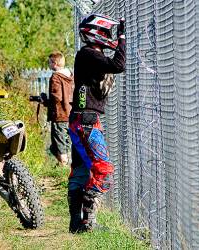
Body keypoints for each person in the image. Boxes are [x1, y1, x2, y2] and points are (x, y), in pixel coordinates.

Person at [68, 14, 126, 233]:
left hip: (81, 120)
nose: (109, 37)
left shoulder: (89, 55)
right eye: (107, 33)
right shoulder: (89, 54)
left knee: (81, 169)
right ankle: (87, 222)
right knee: (104, 171)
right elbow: (118, 65)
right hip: (87, 121)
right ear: (97, 33)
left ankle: (76, 223)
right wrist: (122, 39)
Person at [45, 51, 74, 166]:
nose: (49, 65)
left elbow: (56, 96)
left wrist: (46, 101)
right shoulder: (70, 76)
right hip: (70, 113)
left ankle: (63, 167)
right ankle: (66, 166)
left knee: (59, 144)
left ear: (55, 63)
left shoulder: (56, 77)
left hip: (59, 114)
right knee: (66, 142)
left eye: (49, 62)